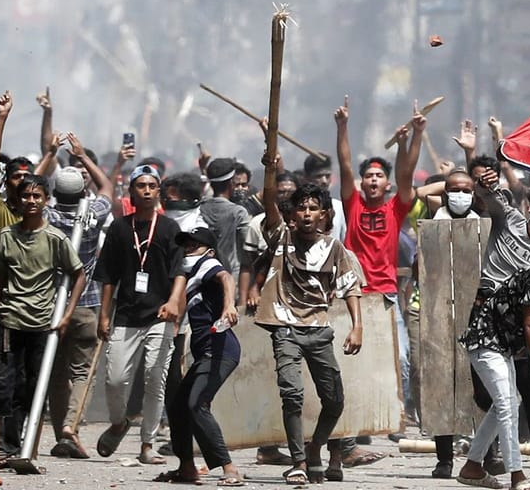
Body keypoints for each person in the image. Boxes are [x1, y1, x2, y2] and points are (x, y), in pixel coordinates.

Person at [252, 181, 363, 485]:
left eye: (313, 208)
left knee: (335, 400)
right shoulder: (280, 237)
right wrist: (270, 165)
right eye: (301, 207)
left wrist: (357, 326)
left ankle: (316, 448)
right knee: (292, 394)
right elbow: (269, 201)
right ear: (293, 213)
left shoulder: (333, 247)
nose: (306, 213)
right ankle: (298, 461)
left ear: (325, 214)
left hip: (317, 329)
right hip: (285, 327)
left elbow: (349, 286)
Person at [333, 96, 423, 469]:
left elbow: (407, 173)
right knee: (349, 365)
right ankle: (353, 429)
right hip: (353, 296)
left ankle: (391, 419)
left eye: (378, 176)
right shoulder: (352, 203)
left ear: (386, 184)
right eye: (367, 175)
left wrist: (411, 139)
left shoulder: (395, 207)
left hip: (385, 296)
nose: (372, 180)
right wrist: (342, 126)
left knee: (399, 360)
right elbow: (343, 164)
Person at [455, 225, 530, 490]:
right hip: (486, 340)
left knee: (504, 404)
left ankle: (472, 466)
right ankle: (517, 476)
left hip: (504, 348)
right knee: (507, 405)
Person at [0, 173, 85, 472]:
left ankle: (30, 451)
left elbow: (78, 274)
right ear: (19, 199)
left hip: (41, 325)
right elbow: (0, 278)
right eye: (26, 196)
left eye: (37, 196)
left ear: (46, 201)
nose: (31, 201)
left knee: (32, 389)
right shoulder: (7, 236)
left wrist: (66, 314)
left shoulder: (55, 238)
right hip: (9, 321)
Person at [94, 163, 185, 464]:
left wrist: (173, 303)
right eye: (140, 186)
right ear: (131, 191)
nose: (146, 191)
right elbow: (108, 276)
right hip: (127, 315)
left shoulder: (171, 229)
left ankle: (147, 444)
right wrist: (104, 315)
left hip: (160, 315)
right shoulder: (120, 228)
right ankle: (119, 422)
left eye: (152, 186)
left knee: (154, 377)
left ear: (159, 191)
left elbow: (180, 273)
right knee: (115, 379)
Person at [157, 226, 243, 487]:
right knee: (179, 407)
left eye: (194, 245)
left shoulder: (208, 264)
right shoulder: (192, 274)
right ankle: (187, 468)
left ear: (209, 250)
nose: (188, 249)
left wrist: (229, 305)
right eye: (185, 245)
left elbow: (226, 277)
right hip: (205, 353)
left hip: (220, 350)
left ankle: (230, 469)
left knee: (197, 404)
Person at [46, 165, 112, 459]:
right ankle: (71, 427)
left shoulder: (47, 217)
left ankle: (63, 430)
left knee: (56, 373)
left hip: (52, 305)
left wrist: (50, 155)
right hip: (87, 303)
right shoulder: (92, 214)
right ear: (83, 191)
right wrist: (84, 156)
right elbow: (107, 189)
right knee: (83, 372)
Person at [201, 157, 253, 272]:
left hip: (204, 274)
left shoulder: (200, 208)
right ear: (231, 183)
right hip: (231, 277)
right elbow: (248, 248)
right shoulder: (238, 212)